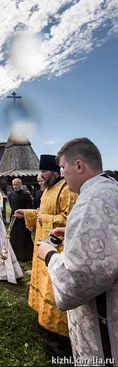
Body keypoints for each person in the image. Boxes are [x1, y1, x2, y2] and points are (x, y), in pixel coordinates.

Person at [36, 138, 118, 364]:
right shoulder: (109, 190)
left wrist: (50, 255)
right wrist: (70, 231)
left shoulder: (92, 200)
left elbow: (79, 280)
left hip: (104, 321)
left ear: (79, 166)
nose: (61, 174)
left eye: (63, 168)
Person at [14, 154, 77, 355]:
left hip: (57, 248)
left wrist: (45, 218)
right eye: (40, 172)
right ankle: (45, 321)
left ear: (55, 171)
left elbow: (71, 219)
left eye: (44, 171)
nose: (41, 175)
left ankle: (61, 336)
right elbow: (41, 213)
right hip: (43, 244)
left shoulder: (66, 190)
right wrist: (28, 213)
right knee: (44, 283)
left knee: (54, 287)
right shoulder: (48, 190)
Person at [8, 178, 34, 262]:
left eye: (16, 185)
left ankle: (26, 256)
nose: (15, 186)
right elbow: (12, 205)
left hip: (23, 219)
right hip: (15, 218)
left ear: (20, 185)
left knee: (24, 237)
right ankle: (15, 255)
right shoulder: (11, 194)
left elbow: (29, 207)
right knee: (14, 237)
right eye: (14, 185)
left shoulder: (26, 195)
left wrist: (23, 214)